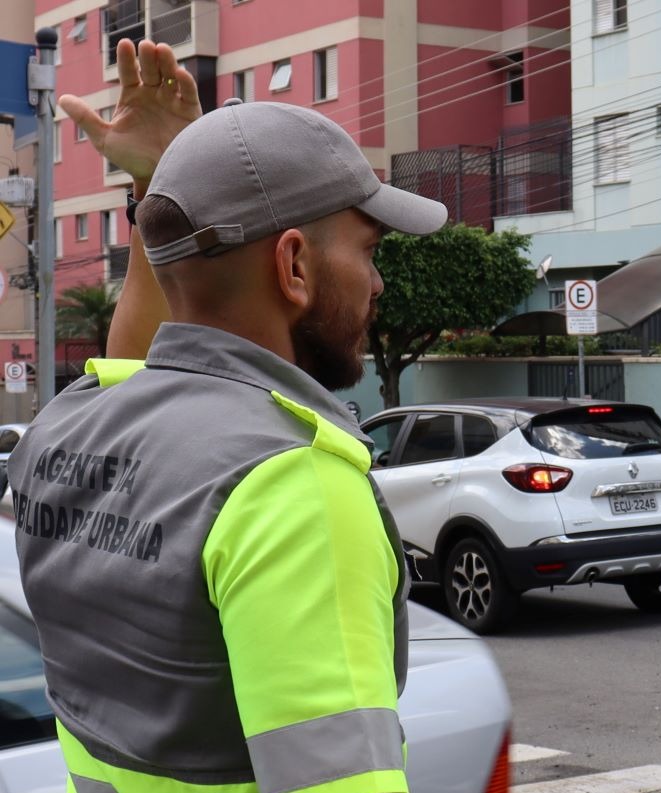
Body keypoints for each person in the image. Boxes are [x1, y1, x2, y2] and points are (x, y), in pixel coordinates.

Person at [7, 38, 446, 793]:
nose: (377, 282)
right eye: (369, 250)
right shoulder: (292, 487)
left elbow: (157, 360)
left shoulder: (66, 430)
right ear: (294, 266)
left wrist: (159, 181)